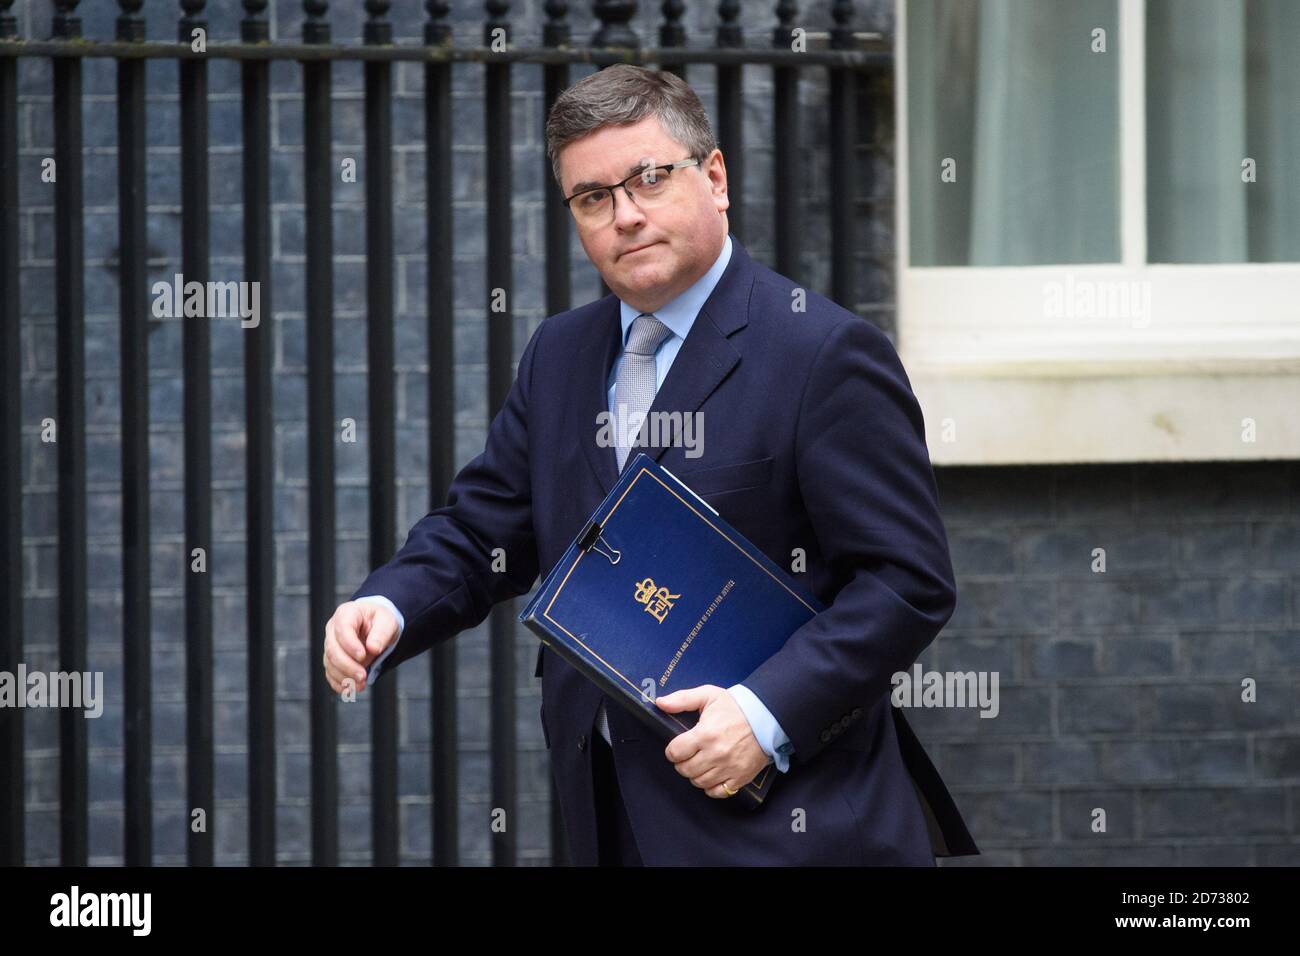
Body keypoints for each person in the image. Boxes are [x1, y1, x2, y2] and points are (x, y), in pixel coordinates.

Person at [322, 64, 977, 866]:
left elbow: (906, 581)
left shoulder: (823, 354)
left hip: (794, 823)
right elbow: (484, 526)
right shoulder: (560, 356)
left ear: (716, 177)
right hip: (608, 812)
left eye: (650, 179)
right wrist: (390, 605)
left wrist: (764, 713)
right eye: (594, 198)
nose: (625, 216)